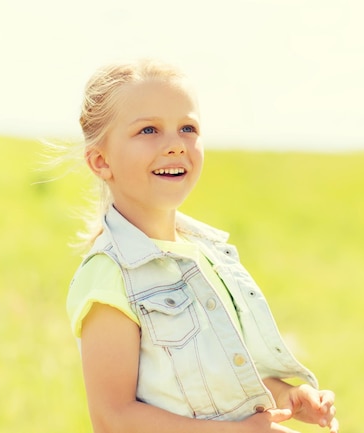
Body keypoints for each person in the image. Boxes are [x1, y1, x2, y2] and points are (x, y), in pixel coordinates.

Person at [65, 59, 339, 433]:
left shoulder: (209, 257)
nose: (175, 145)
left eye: (187, 128)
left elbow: (220, 379)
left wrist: (287, 397)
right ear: (101, 161)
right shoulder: (109, 276)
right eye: (149, 130)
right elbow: (113, 419)